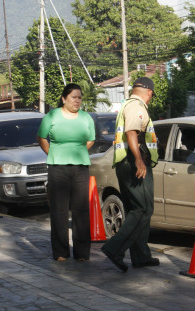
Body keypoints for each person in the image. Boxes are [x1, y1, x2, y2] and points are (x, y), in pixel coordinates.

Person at [101, 77, 160, 272]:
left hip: (126, 163)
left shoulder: (128, 104)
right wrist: (138, 159)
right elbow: (132, 133)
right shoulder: (137, 106)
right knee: (143, 209)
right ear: (149, 92)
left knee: (137, 209)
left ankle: (141, 256)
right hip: (133, 163)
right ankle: (114, 248)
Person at [37, 83, 96, 261]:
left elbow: (90, 140)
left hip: (80, 168)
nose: (77, 101)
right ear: (64, 98)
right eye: (73, 97)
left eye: (79, 97)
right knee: (59, 211)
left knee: (81, 211)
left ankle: (82, 253)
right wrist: (54, 153)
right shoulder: (52, 115)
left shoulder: (86, 118)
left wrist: (76, 151)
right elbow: (41, 137)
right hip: (58, 168)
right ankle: (61, 252)